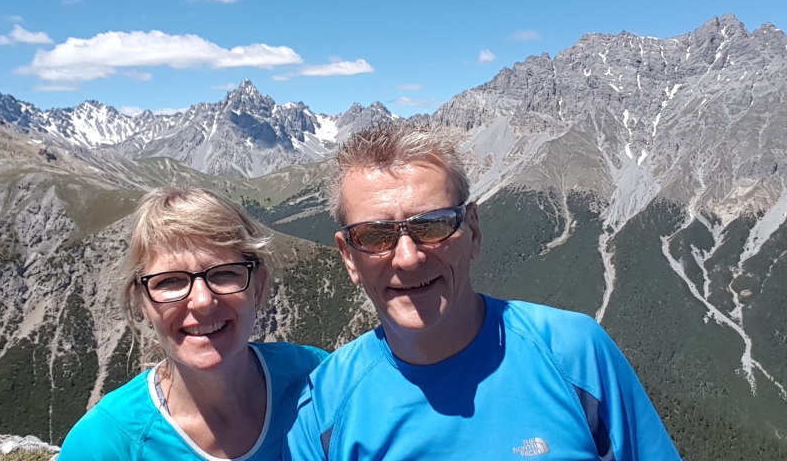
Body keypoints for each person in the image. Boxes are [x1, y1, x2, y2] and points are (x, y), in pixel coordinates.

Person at [287, 121, 681, 460]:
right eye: (374, 236)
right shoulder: (323, 405)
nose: (407, 258)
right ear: (349, 257)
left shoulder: (576, 352)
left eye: (433, 225)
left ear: (473, 231)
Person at [60, 187, 327, 460]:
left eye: (224, 274)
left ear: (257, 287)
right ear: (143, 303)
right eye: (170, 281)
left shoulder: (318, 379)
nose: (202, 301)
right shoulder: (105, 444)